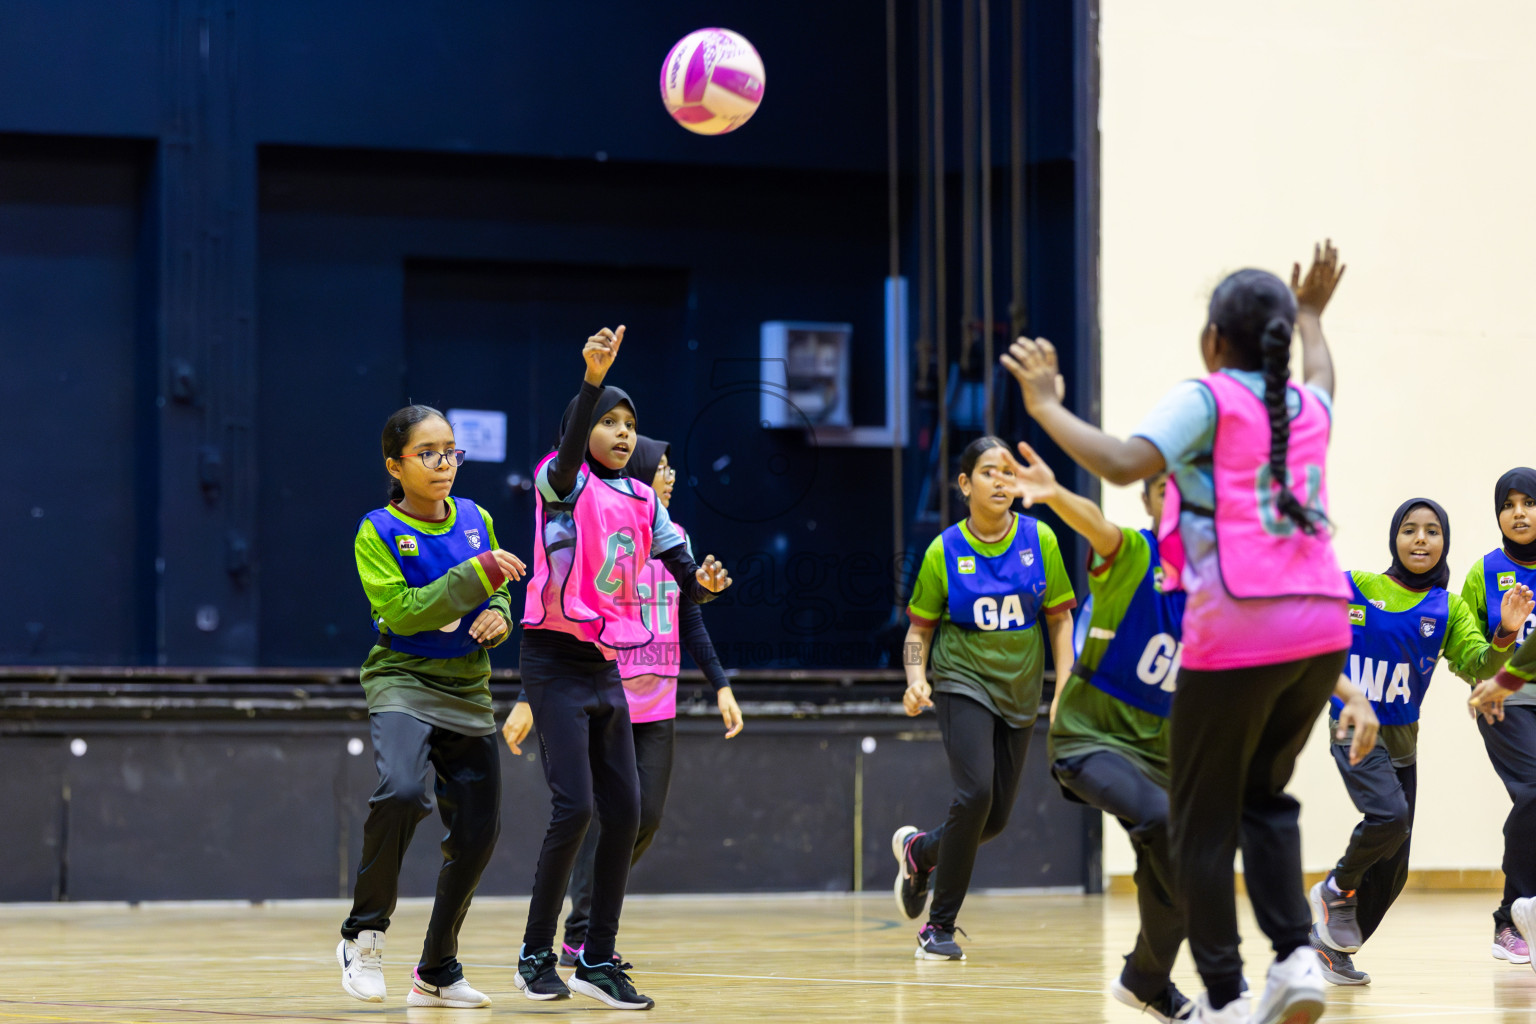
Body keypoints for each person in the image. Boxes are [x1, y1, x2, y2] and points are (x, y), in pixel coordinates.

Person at [1002, 242, 1350, 1024]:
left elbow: (1125, 464)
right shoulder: (1307, 406)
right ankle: (1297, 958)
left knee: (1198, 820)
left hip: (1243, 625)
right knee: (1266, 797)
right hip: (1324, 626)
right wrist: (1317, 319)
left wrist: (1047, 405)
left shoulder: (1212, 396)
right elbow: (1322, 374)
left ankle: (1225, 997)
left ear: (1212, 341)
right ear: (1281, 340)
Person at [1005, 443, 1374, 1022]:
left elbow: (1290, 643)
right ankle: (1207, 986)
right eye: (1163, 490)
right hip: (1090, 741)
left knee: (1189, 865)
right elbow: (1096, 524)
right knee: (1173, 829)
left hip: (1165, 759)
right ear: (1150, 502)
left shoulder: (1227, 585)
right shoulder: (1131, 553)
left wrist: (1355, 696)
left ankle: (1145, 979)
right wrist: (1054, 495)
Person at [514, 326, 731, 1011]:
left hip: (607, 661)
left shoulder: (645, 503)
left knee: (627, 811)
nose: (621, 432)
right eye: (608, 421)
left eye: (629, 423)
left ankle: (597, 957)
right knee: (574, 807)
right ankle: (533, 955)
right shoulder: (562, 480)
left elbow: (685, 581)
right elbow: (573, 443)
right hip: (552, 659)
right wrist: (590, 378)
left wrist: (708, 585)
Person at [337, 404, 526, 1008]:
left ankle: (438, 968)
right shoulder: (378, 531)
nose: (444, 463)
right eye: (428, 453)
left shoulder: (476, 517)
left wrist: (500, 612)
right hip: (402, 679)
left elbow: (496, 590)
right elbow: (405, 611)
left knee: (478, 831)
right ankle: (363, 934)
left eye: (451, 451)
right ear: (395, 464)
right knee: (399, 790)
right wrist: (479, 574)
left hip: (468, 687)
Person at [1311, 498, 1528, 985]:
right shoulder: (1358, 586)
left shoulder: (1447, 609)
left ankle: (1328, 950)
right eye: (1410, 530)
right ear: (1395, 539)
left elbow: (1479, 666)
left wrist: (1505, 634)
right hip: (1353, 730)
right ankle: (1335, 888)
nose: (1421, 539)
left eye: (1432, 531)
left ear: (1444, 543)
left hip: (1403, 746)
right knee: (1389, 816)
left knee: (1394, 868)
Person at [892, 436, 1077, 962]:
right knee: (974, 796)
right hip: (961, 682)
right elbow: (919, 632)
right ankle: (938, 928)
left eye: (1009, 473)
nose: (1002, 481)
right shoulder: (943, 551)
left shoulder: (1040, 540)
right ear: (965, 484)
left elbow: (1061, 621)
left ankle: (919, 852)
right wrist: (915, 677)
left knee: (990, 821)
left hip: (1020, 692)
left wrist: (1063, 687)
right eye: (990, 472)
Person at [1461, 468, 1536, 963]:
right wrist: (1503, 639)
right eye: (1508, 504)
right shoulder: (1482, 572)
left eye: (1528, 502)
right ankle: (1512, 917)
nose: (1519, 513)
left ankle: (1512, 914)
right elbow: (1470, 656)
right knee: (1534, 791)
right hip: (1506, 701)